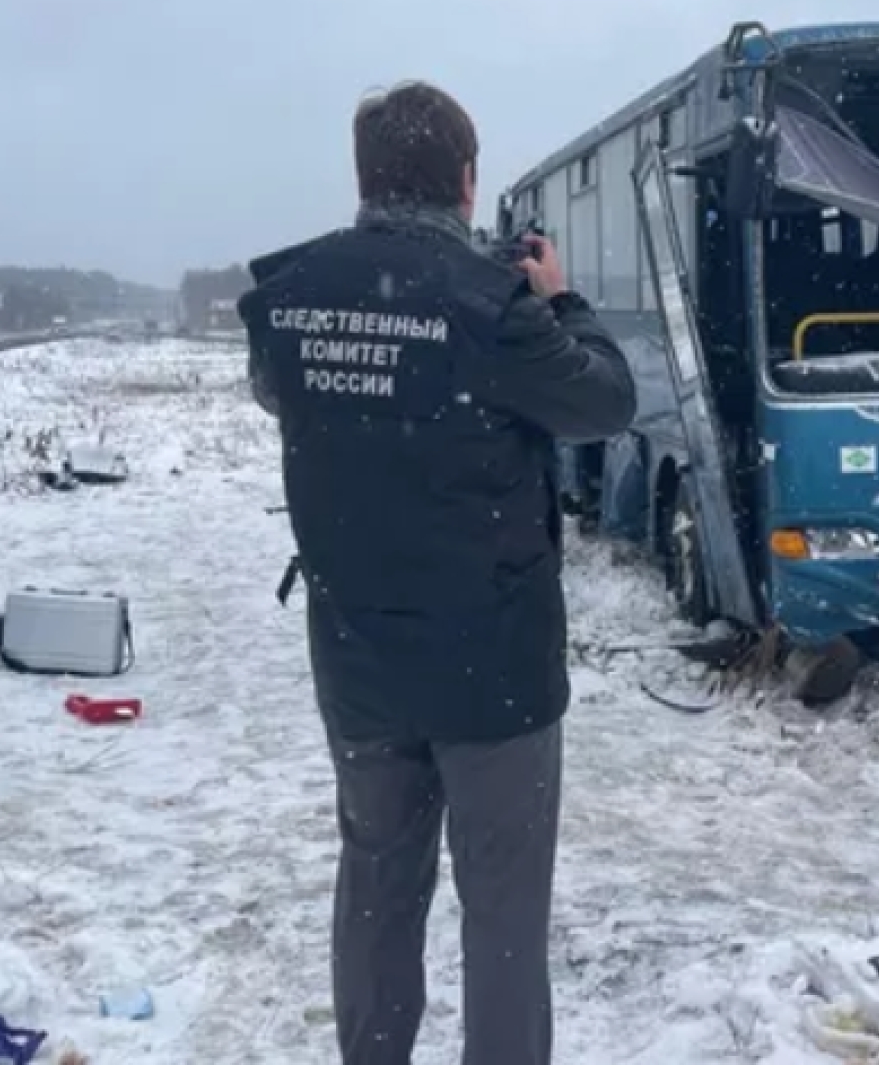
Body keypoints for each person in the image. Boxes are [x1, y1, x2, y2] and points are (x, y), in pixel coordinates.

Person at [237, 80, 637, 1065]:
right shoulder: (491, 308)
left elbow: (284, 396)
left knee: (375, 887)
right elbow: (605, 403)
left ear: (364, 176)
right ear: (467, 182)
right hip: (490, 669)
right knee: (501, 915)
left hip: (360, 660)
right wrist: (563, 300)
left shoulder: (286, 300)